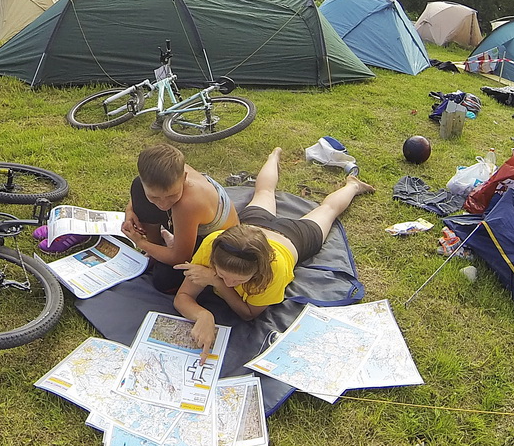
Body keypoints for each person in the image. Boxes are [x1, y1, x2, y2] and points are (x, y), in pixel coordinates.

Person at [173, 147, 374, 362]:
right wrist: (203, 315)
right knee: (263, 192)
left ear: (259, 269)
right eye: (223, 275)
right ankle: (273, 155)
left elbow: (249, 313)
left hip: (293, 239)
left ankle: (353, 185)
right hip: (253, 227)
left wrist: (216, 281)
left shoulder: (274, 269)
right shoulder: (214, 244)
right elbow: (183, 297)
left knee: (328, 210)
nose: (230, 283)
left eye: (238, 280)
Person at [121, 143, 239, 293]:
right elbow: (142, 189)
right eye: (154, 197)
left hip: (218, 241)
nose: (163, 204)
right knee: (137, 188)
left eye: (172, 195)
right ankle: (157, 247)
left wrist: (141, 242)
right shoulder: (166, 172)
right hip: (188, 221)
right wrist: (130, 210)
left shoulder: (188, 204)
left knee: (164, 280)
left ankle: (158, 248)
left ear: (184, 178)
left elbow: (180, 258)